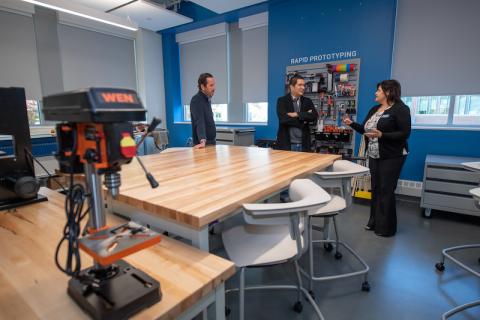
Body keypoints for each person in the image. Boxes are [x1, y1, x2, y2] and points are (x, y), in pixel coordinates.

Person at [343, 79, 411, 237]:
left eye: (378, 90)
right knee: (376, 188)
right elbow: (366, 130)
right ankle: (374, 221)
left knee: (386, 190)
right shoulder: (375, 109)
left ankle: (386, 227)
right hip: (374, 155)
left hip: (392, 156)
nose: (376, 93)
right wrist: (351, 124)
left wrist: (383, 135)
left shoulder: (400, 109)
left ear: (388, 92)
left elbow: (405, 133)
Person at [276, 74, 318, 152]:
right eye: (300, 85)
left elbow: (314, 117)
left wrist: (297, 114)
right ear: (291, 87)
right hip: (287, 145)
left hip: (304, 145)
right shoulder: (282, 101)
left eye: (304, 85)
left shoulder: (307, 101)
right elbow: (283, 119)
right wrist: (304, 119)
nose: (303, 87)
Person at [190, 73, 216, 149]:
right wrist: (202, 141)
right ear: (202, 87)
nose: (214, 88)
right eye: (211, 85)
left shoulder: (207, 99)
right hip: (203, 145)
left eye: (214, 85)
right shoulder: (196, 100)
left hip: (211, 143)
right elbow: (199, 121)